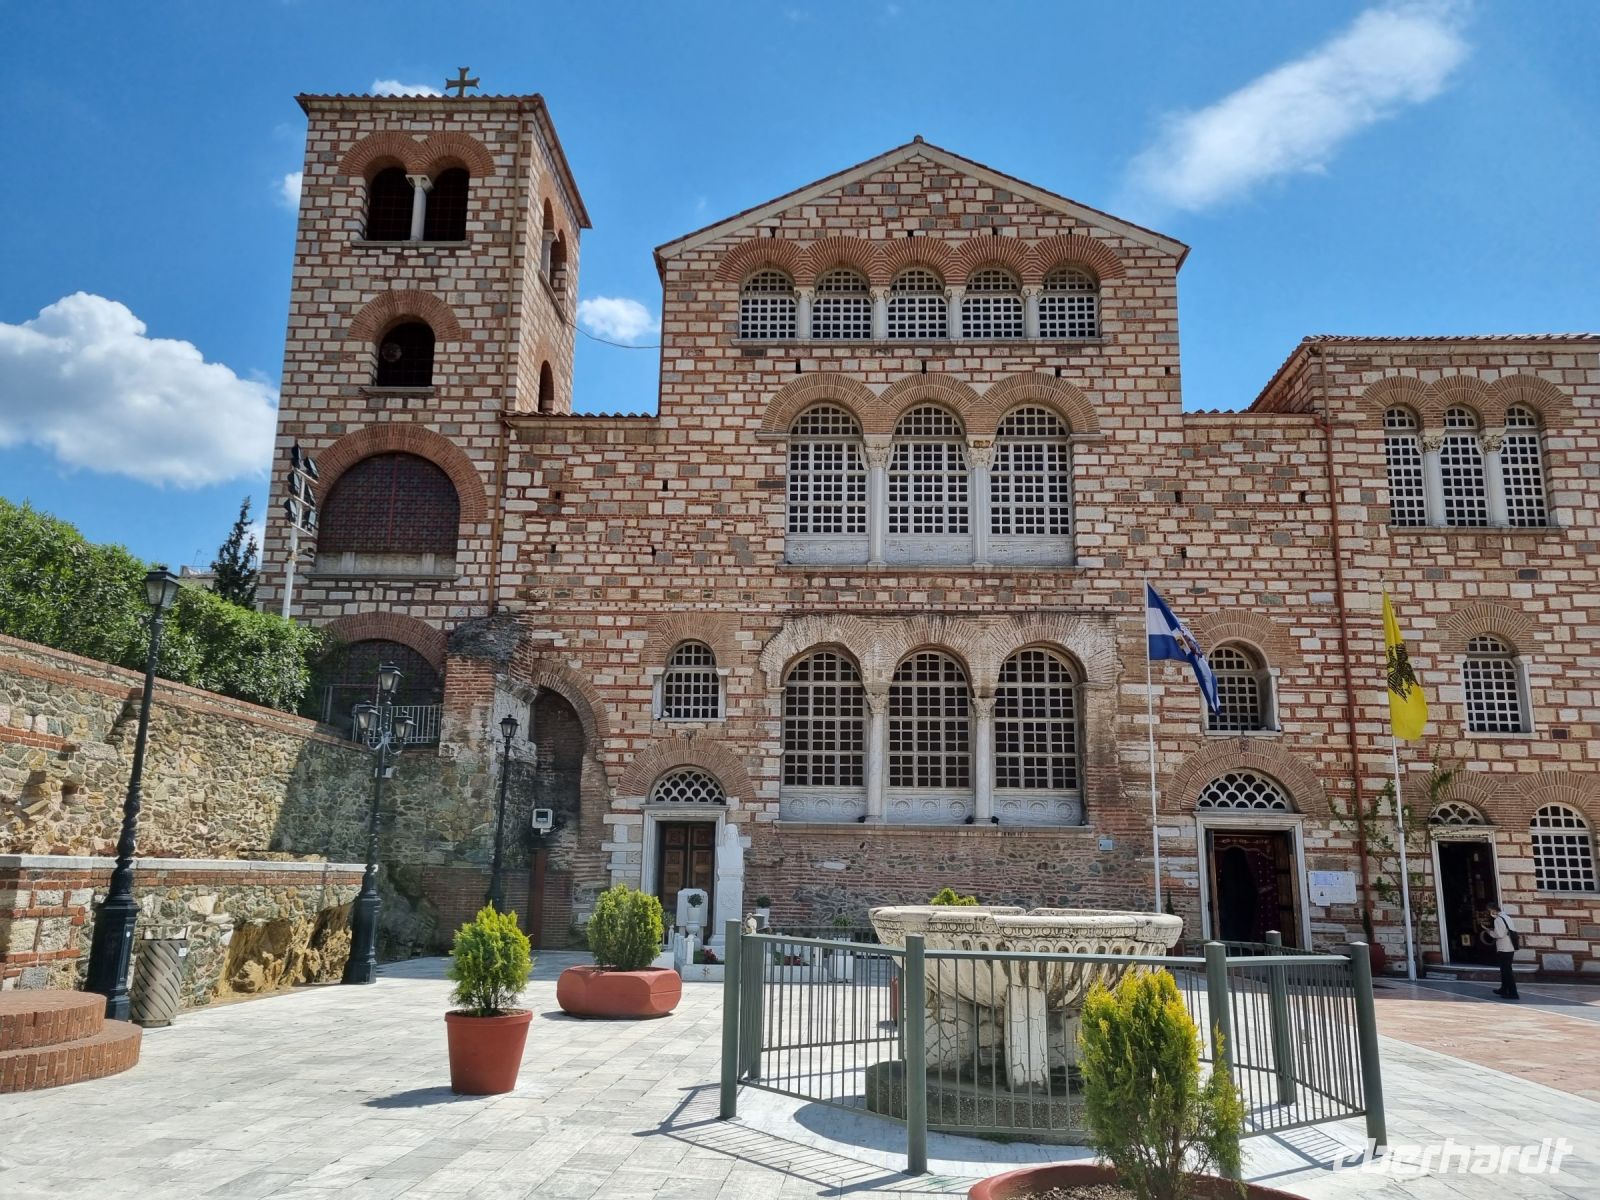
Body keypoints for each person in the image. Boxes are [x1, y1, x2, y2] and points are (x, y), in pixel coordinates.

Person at [1482, 903, 1520, 1000]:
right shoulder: (1507, 917)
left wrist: (1488, 931)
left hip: (1504, 948)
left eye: (1489, 910)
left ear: (1493, 910)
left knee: (1506, 971)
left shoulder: (1498, 920)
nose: (1489, 913)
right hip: (1510, 947)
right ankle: (1504, 989)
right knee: (1505, 970)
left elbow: (1499, 934)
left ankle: (1513, 993)